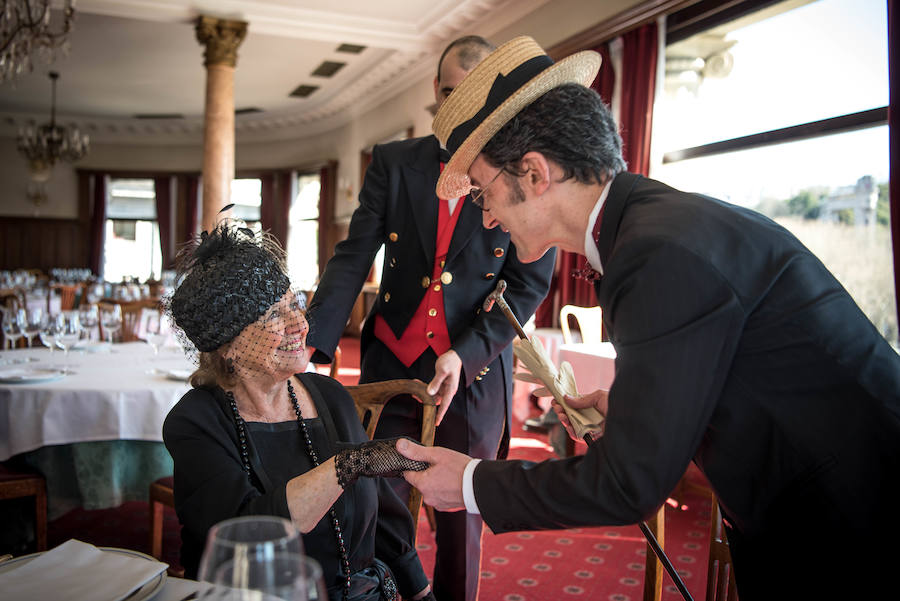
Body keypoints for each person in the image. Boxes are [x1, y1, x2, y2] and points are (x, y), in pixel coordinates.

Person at [398, 36, 900, 599]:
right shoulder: (649, 230)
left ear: (535, 175)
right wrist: (639, 412)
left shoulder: (655, 254)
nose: (487, 217)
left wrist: (465, 482)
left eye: (485, 192)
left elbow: (628, 484)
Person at [306, 35, 556, 601]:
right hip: (391, 360)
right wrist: (316, 344)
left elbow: (528, 285)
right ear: (435, 92)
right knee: (375, 501)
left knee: (461, 518)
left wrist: (464, 354)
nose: (457, 108)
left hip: (471, 377)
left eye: (471, 95)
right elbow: (353, 257)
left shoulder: (523, 173)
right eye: (448, 93)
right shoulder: (395, 164)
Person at [163, 222, 435, 601]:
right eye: (275, 315)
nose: (300, 325)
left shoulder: (329, 396)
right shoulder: (195, 424)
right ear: (228, 346)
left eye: (296, 304)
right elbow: (246, 535)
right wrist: (347, 464)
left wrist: (420, 592)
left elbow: (384, 515)